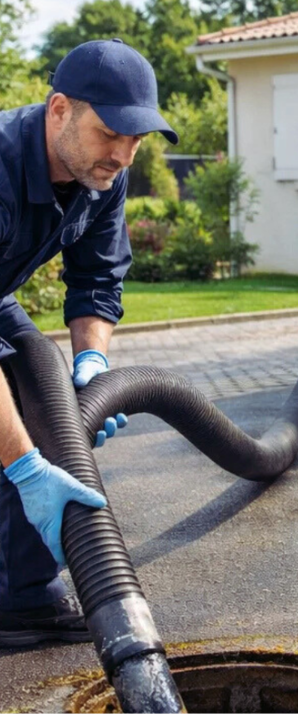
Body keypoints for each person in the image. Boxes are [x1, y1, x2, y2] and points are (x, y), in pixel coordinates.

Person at [0, 39, 178, 647]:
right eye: (110, 134)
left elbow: (97, 279)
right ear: (58, 111)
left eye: (135, 140)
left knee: (45, 396)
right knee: (16, 439)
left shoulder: (102, 176)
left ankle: (20, 598)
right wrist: (26, 465)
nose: (123, 156)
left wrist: (91, 362)